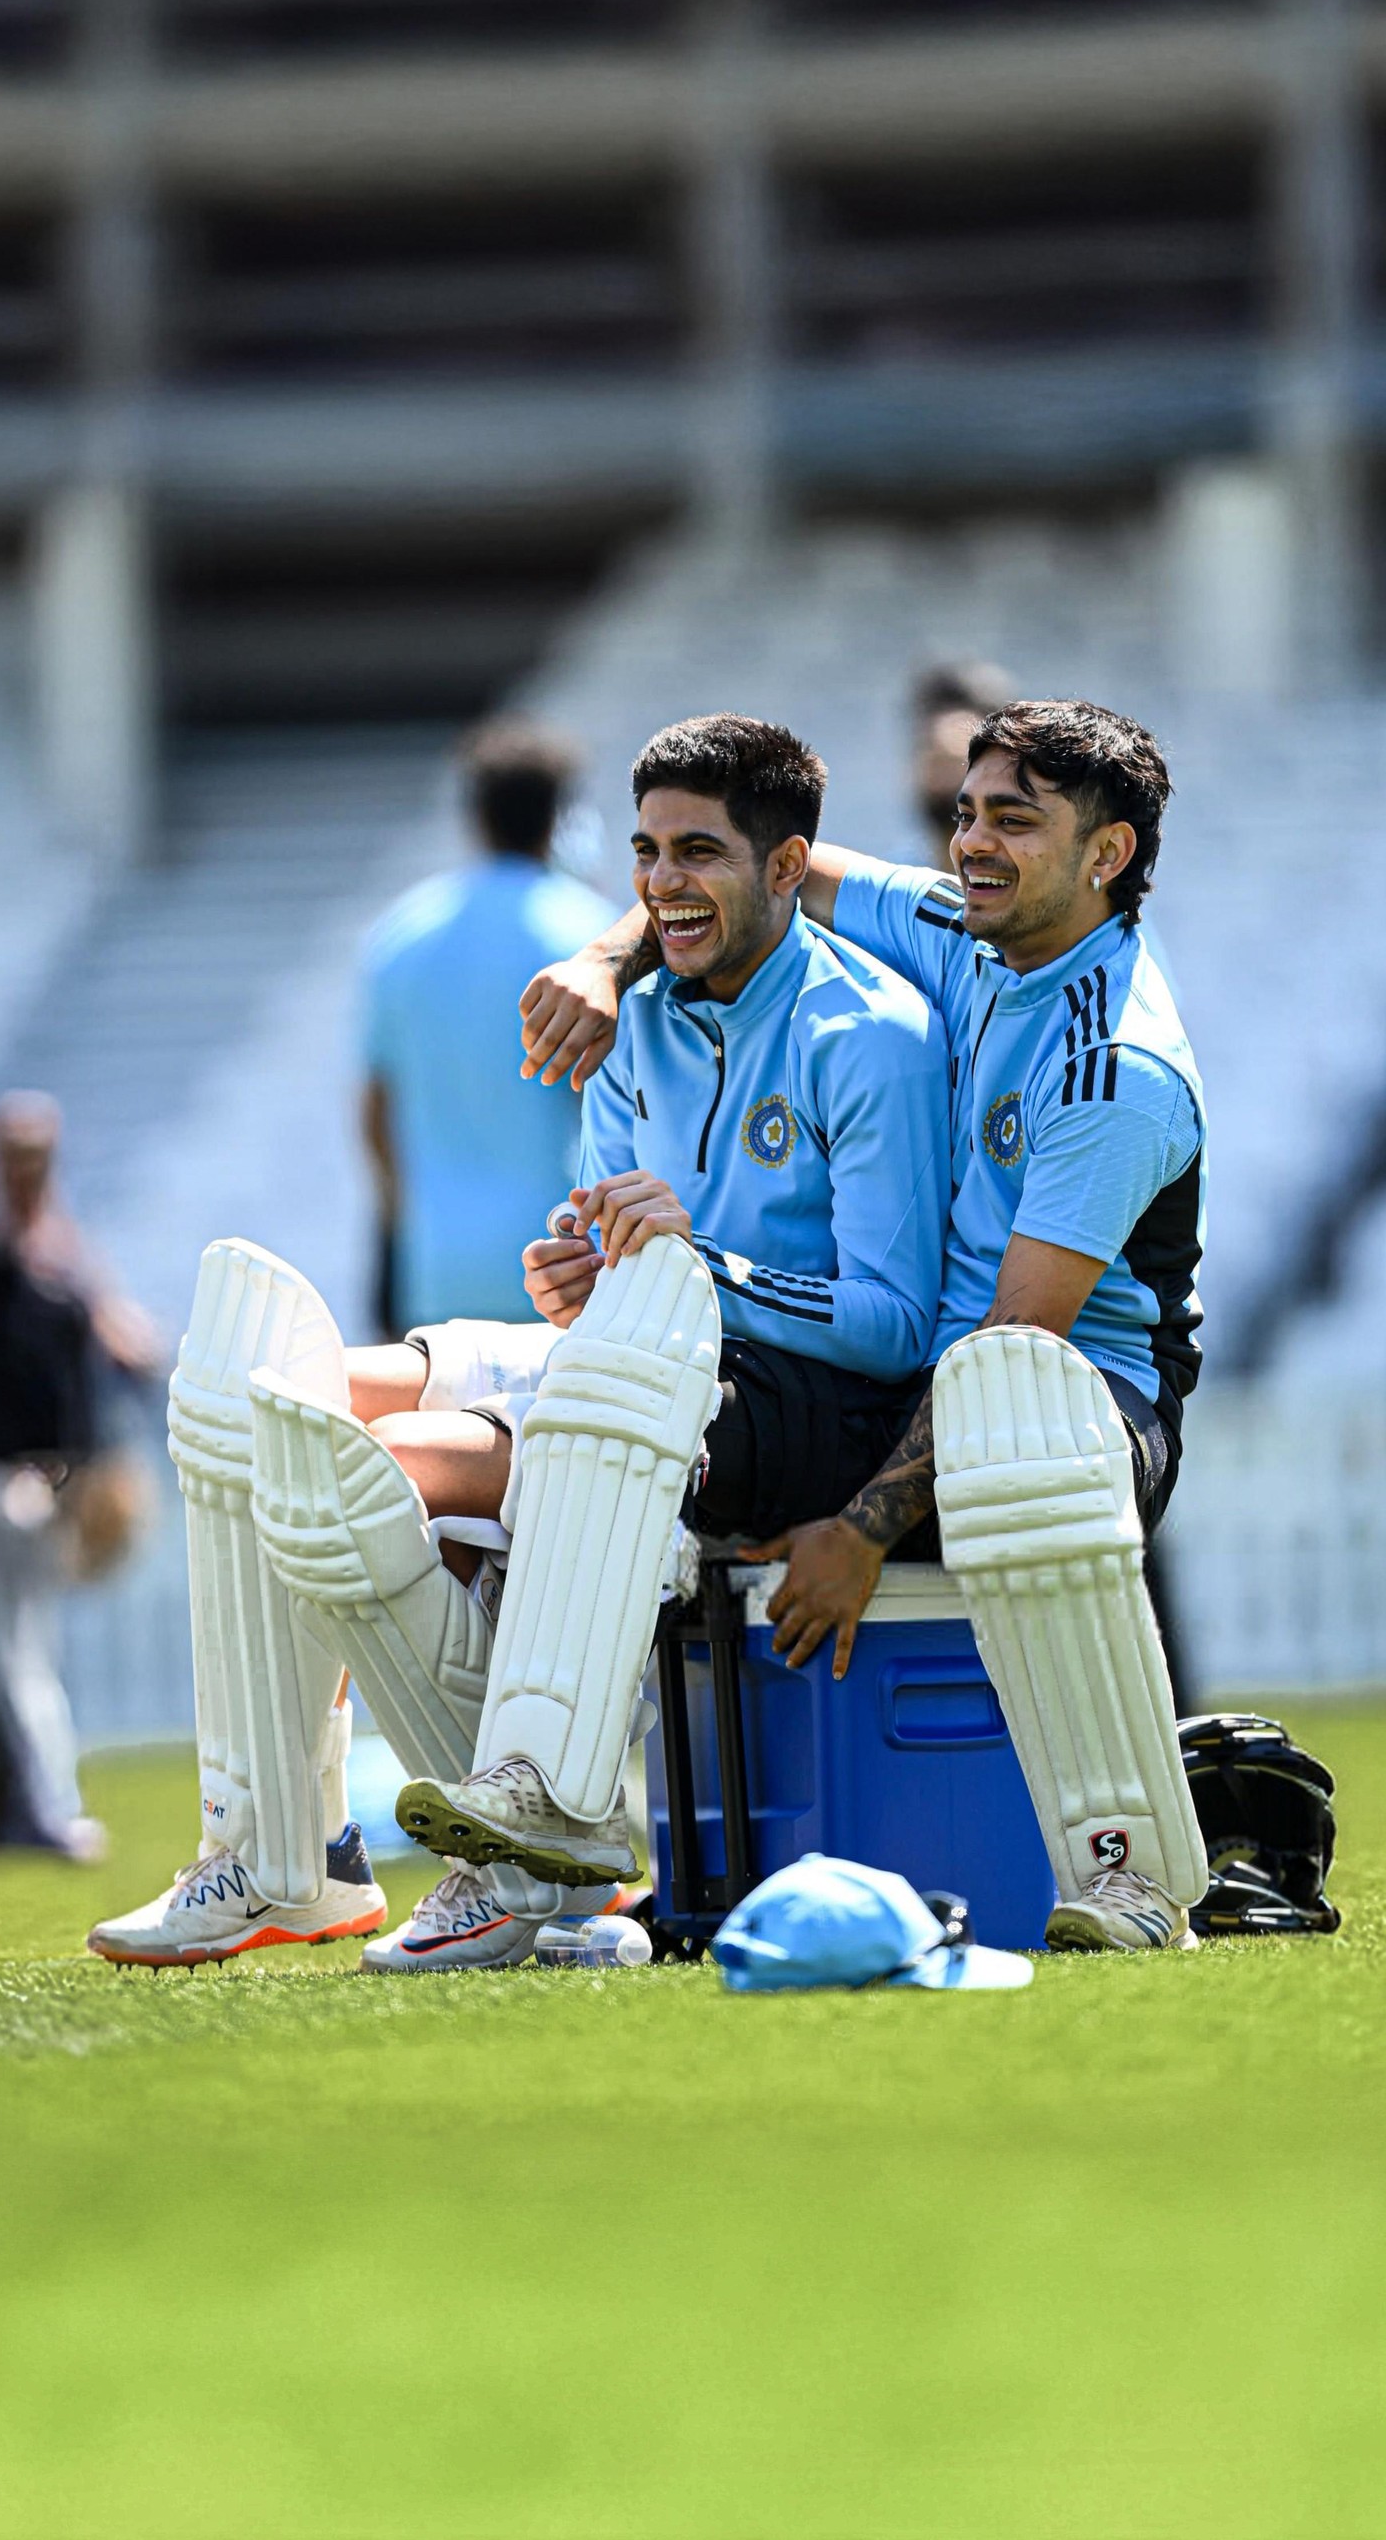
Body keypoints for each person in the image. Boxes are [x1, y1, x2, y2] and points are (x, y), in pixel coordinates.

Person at [86, 714, 951, 1973]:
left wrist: (696, 1265)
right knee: (263, 1396)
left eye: (697, 851)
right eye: (646, 850)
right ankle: (284, 1851)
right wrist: (582, 1269)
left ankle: (530, 1850)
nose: (660, 882)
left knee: (368, 1473)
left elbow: (894, 1324)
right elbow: (609, 1261)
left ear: (786, 865)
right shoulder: (627, 1020)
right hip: (629, 1360)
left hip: (795, 1397)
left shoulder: (872, 1032)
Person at [517, 699, 1211, 1954]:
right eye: (967, 812)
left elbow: (1014, 1339)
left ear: (1107, 854)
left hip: (1088, 1396)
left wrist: (861, 1526)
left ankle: (1136, 1871)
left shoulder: (1114, 1064)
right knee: (618, 1403)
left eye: (1015, 819)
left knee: (1014, 1424)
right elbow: (747, 868)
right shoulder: (963, 924)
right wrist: (605, 963)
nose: (972, 842)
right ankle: (537, 1836)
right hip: (921, 1380)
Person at [0, 1093, 159, 1858]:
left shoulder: (61, 1255)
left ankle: (7, 1815)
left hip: (46, 1479)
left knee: (10, 1649)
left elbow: (131, 1349)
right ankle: (49, 1809)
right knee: (18, 1654)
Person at [360, 717, 610, 1333]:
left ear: (474, 815)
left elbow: (375, 1110)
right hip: (565, 1271)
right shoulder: (594, 940)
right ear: (560, 815)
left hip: (437, 1271)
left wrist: (409, 1223)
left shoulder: (402, 933)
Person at [909, 660, 1015, 872]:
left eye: (955, 760)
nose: (942, 780)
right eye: (934, 759)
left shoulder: (1025, 872)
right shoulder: (900, 874)